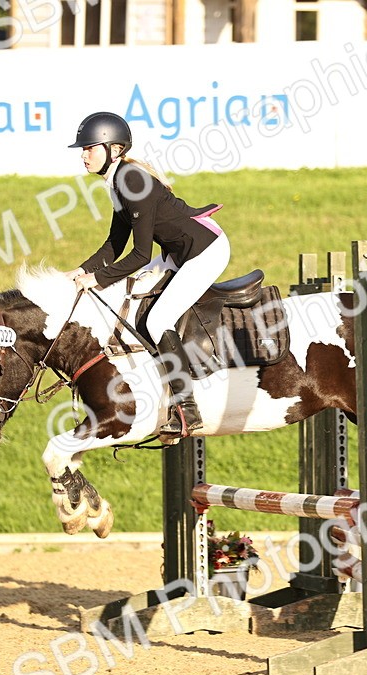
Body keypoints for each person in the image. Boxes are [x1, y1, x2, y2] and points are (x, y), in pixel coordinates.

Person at [67, 111, 230, 438]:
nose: (83, 155)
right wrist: (80, 272)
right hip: (177, 252)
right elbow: (114, 245)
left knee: (157, 321)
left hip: (205, 252)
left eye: (90, 148)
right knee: (137, 303)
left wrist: (96, 280)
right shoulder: (117, 180)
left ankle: (187, 408)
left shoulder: (132, 181)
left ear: (113, 149)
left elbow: (140, 255)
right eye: (82, 149)